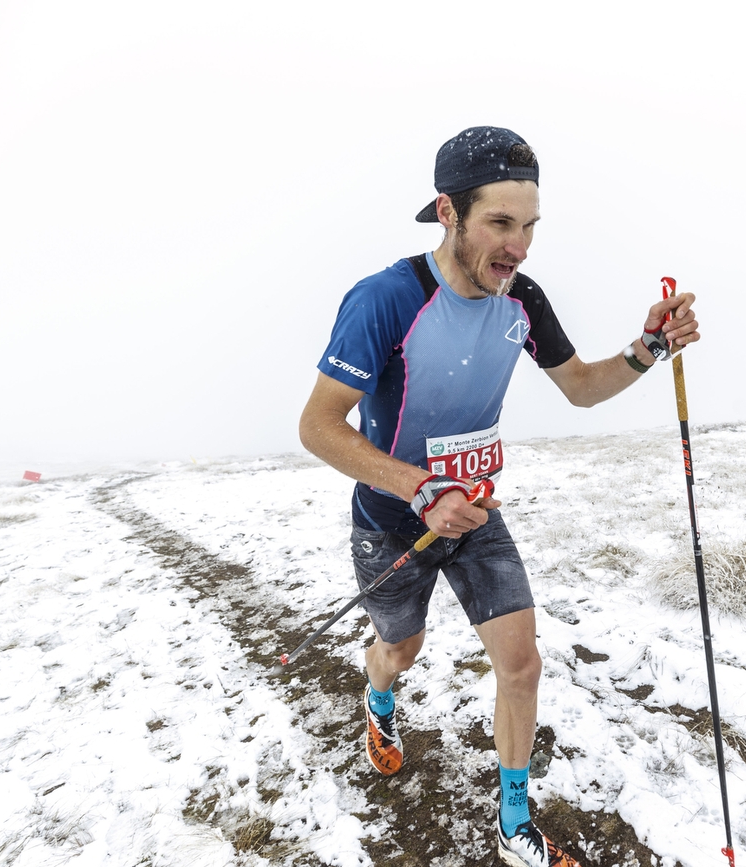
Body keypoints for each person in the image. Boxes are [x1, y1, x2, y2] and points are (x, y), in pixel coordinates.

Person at [298, 126, 699, 867]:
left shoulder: (522, 298)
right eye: (501, 224)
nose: (518, 247)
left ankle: (515, 817)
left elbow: (581, 388)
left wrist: (650, 349)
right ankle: (379, 696)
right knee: (400, 648)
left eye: (530, 227)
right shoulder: (386, 299)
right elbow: (319, 427)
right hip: (393, 520)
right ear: (449, 212)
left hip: (477, 513)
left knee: (521, 664)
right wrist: (421, 489)